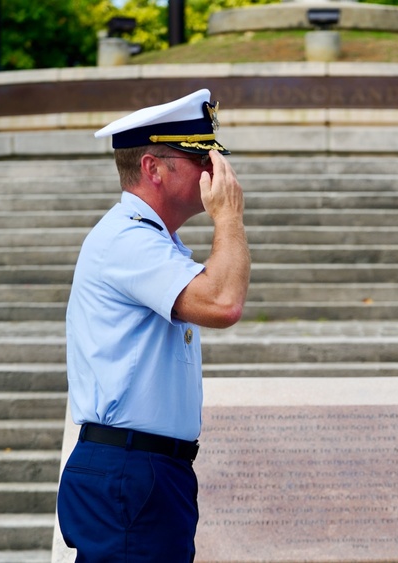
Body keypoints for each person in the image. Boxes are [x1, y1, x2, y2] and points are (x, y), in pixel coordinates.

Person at [56, 89, 250, 562]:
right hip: (130, 469)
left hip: (147, 469)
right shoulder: (127, 239)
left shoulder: (152, 242)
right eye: (197, 157)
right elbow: (223, 301)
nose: (213, 171)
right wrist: (228, 217)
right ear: (153, 168)